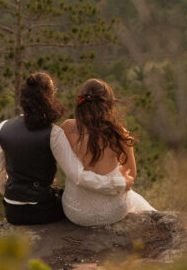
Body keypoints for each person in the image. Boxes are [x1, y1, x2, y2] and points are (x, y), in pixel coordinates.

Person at [0, 72, 131, 225]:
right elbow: (78, 176)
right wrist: (118, 184)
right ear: (48, 97)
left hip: (13, 212)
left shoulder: (3, 127)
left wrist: (15, 195)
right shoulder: (53, 133)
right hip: (43, 209)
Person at [61, 78, 155, 226]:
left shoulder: (67, 127)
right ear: (109, 104)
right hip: (113, 212)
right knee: (138, 202)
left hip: (76, 211)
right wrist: (114, 176)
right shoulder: (119, 133)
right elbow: (131, 174)